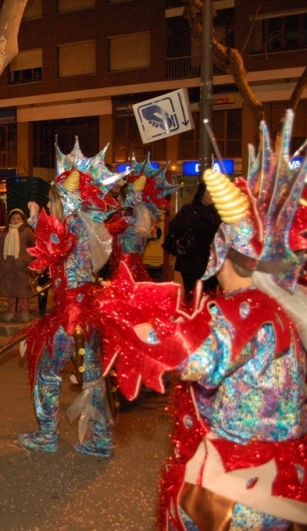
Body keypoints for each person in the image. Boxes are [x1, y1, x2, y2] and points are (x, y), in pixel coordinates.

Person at [99, 111, 307, 529]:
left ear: (229, 258)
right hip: (280, 469)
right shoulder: (286, 307)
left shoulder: (250, 308)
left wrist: (130, 318)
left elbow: (194, 359)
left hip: (240, 479)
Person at [18, 140, 119, 458]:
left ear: (63, 198)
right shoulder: (85, 224)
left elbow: (54, 250)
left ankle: (47, 435)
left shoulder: (73, 225)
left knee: (46, 371)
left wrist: (36, 221)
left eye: (53, 199)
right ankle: (101, 440)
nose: (50, 205)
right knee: (92, 376)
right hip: (87, 309)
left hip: (71, 316)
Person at [165, 182, 221, 301]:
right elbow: (174, 227)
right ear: (202, 194)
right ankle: (191, 316)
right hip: (191, 259)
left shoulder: (219, 213)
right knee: (192, 293)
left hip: (211, 260)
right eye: (209, 193)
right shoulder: (189, 209)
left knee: (209, 294)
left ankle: (206, 316)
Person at [0, 208, 35, 322]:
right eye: (13, 218)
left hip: (21, 267)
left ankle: (25, 312)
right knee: (10, 291)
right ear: (9, 220)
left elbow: (32, 248)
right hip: (7, 266)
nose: (16, 220)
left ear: (23, 219)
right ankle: (11, 312)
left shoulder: (27, 231)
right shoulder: (5, 232)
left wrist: (24, 260)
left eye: (18, 218)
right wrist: (2, 261)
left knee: (23, 291)